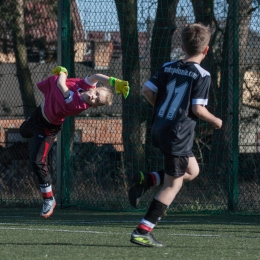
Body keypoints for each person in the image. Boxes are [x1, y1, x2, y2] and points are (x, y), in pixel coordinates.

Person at [129, 23, 222, 247]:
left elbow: (147, 90)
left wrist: (161, 109)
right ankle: (143, 230)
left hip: (160, 128)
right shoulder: (202, 74)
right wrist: (216, 120)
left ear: (181, 46)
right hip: (178, 134)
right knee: (174, 184)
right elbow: (198, 110)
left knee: (193, 170)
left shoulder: (168, 66)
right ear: (206, 50)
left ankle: (148, 179)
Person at [19, 66, 130, 218]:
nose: (94, 97)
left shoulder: (77, 104)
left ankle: (48, 199)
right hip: (39, 113)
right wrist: (113, 80)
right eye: (96, 93)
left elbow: (61, 85)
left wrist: (63, 72)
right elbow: (95, 76)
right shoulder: (85, 87)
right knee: (23, 131)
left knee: (37, 161)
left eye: (97, 100)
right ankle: (33, 133)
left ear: (95, 106)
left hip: (48, 128)